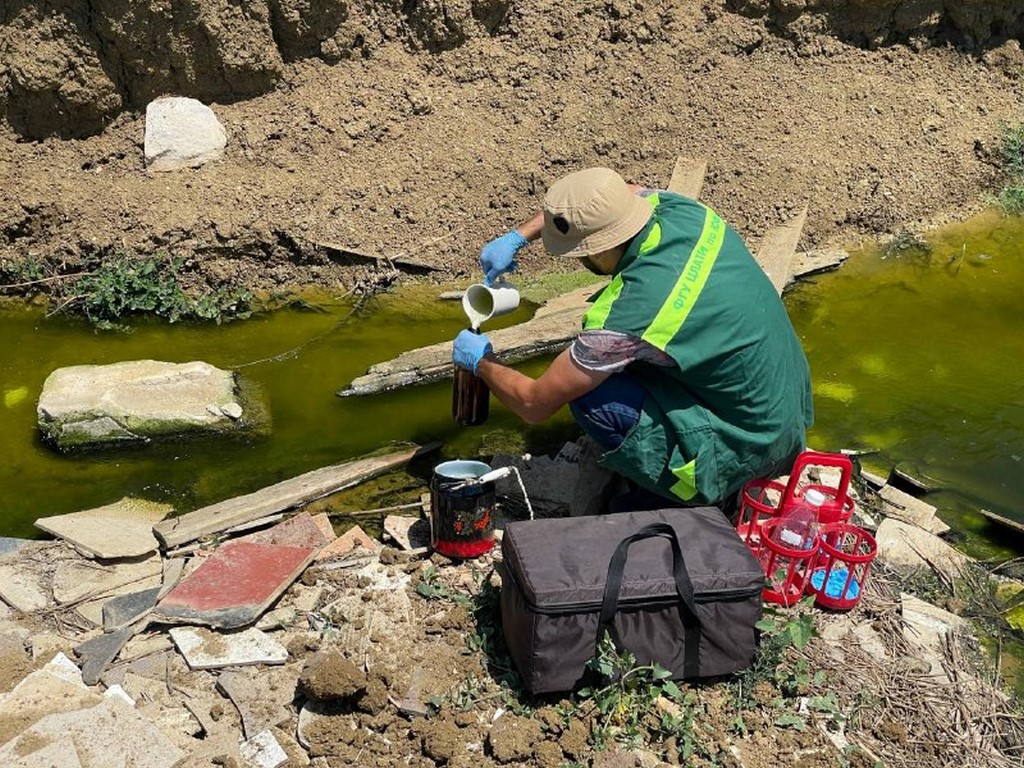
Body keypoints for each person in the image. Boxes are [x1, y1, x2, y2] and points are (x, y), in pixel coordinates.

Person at [452, 167, 813, 511]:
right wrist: (518, 237)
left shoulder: (625, 317)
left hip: (751, 451)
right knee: (618, 368)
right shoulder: (680, 210)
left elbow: (534, 404)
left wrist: (481, 361)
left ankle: (690, 492)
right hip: (783, 413)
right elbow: (618, 190)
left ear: (595, 249)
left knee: (590, 397)